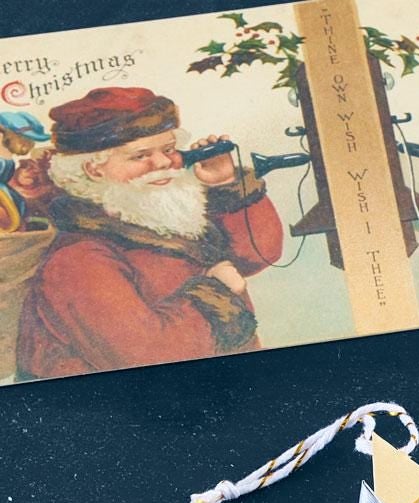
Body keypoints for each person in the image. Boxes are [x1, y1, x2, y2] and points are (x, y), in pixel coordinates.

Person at [14, 85, 282, 380]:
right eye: (141, 156)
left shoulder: (160, 212)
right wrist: (213, 294)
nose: (164, 163)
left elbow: (256, 256)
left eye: (168, 149)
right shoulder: (77, 258)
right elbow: (146, 356)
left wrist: (224, 184)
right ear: (94, 169)